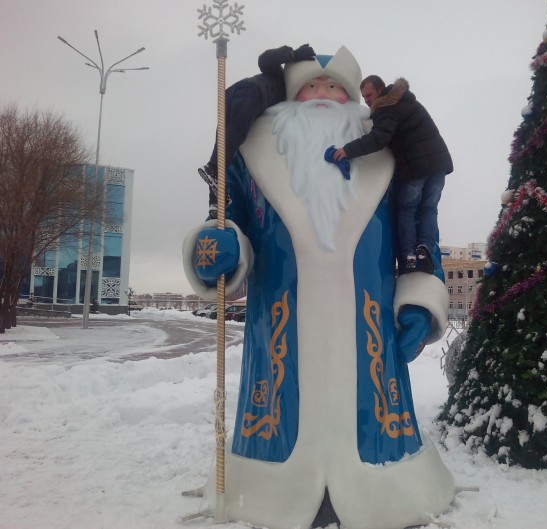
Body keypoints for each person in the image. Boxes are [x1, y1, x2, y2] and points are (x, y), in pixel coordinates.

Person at [183, 46, 454, 529]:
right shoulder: (248, 153)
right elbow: (228, 218)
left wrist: (418, 298)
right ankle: (268, 490)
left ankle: (385, 487)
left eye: (335, 87)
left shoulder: (390, 154)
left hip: (369, 325)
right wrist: (218, 250)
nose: (323, 94)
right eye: (312, 86)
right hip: (278, 322)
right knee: (281, 401)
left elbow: (418, 233)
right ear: (291, 94)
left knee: (372, 410)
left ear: (355, 97)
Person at [332, 75, 453, 274]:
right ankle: (425, 248)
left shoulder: (386, 107)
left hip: (416, 166)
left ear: (380, 90)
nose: (367, 101)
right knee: (429, 208)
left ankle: (409, 255)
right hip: (439, 163)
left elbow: (378, 138)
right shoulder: (408, 101)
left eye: (369, 95)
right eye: (364, 97)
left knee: (407, 208)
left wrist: (347, 150)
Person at [198, 44, 316, 218]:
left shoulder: (290, 100)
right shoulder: (280, 78)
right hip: (252, 91)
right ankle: (213, 168)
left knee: (225, 142)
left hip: (231, 95)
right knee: (237, 131)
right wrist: (292, 54)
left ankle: (216, 200)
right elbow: (265, 60)